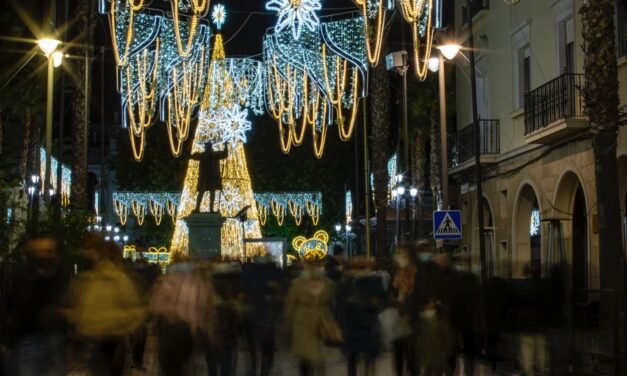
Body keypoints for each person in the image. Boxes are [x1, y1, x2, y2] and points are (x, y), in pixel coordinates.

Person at [64, 236, 146, 376]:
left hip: (112, 341)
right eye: (86, 249)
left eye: (91, 250)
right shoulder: (86, 279)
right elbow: (82, 310)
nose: (87, 253)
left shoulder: (117, 279)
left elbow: (135, 311)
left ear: (102, 252)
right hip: (92, 341)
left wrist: (114, 322)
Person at [7, 235, 70, 376]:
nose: (44, 255)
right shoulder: (21, 273)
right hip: (29, 338)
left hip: (55, 338)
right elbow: (16, 306)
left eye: (48, 251)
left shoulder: (62, 275)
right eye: (40, 251)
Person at [150, 258, 216, 376]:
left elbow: (157, 306)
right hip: (189, 331)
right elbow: (206, 309)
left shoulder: (166, 282)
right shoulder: (199, 284)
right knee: (183, 364)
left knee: (171, 365)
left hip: (173, 329)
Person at [284, 260, 336, 376]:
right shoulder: (297, 284)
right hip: (303, 321)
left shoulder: (328, 283)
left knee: (320, 357)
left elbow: (332, 302)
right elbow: (291, 303)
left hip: (321, 322)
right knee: (305, 357)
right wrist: (288, 322)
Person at [338, 259, 385, 376]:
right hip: (352, 323)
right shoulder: (347, 283)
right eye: (357, 268)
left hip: (369, 323)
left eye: (363, 267)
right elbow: (339, 301)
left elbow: (383, 299)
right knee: (352, 356)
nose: (360, 270)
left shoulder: (374, 282)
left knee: (369, 355)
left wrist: (373, 303)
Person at [391, 244, 418, 376]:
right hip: (399, 316)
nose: (400, 257)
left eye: (402, 255)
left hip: (412, 316)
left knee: (412, 350)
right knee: (399, 349)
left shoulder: (415, 272)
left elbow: (416, 293)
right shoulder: (398, 273)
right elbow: (394, 292)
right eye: (398, 255)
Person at [191, 142, 228, 213]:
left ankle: (199, 208)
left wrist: (226, 147)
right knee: (209, 192)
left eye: (207, 147)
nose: (206, 148)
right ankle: (206, 209)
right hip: (210, 177)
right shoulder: (214, 154)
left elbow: (194, 156)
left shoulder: (205, 155)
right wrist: (226, 146)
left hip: (207, 177)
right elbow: (224, 154)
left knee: (206, 192)